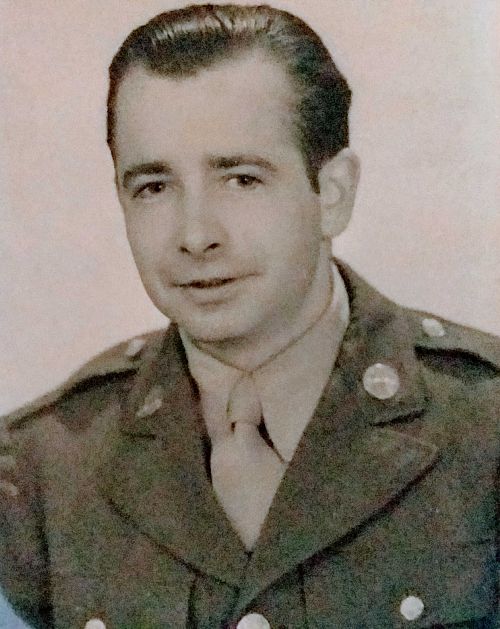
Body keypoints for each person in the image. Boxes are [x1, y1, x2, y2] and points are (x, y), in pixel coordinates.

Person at [1, 4, 499, 628]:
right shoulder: (41, 470)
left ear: (333, 194)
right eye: (154, 187)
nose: (195, 236)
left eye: (240, 179)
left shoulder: (484, 429)